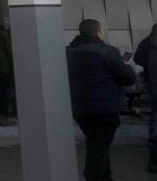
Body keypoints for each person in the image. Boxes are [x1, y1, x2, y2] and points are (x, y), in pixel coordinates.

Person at [67, 19, 136, 181]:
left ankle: (105, 176)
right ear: (98, 32)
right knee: (98, 148)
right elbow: (128, 78)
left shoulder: (68, 52)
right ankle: (94, 177)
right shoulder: (107, 51)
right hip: (104, 107)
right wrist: (125, 65)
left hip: (79, 107)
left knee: (96, 144)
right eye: (102, 30)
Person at [135, 24, 157, 172]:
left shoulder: (146, 42)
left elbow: (137, 58)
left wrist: (148, 68)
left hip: (153, 81)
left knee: (155, 112)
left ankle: (152, 137)